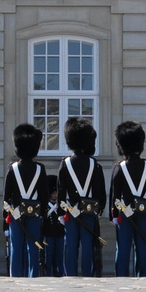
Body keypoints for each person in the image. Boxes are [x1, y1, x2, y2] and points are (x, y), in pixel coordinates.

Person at [57, 117, 106, 277]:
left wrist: (60, 212)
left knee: (70, 245)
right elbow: (100, 190)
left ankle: (70, 274)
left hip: (70, 212)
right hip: (89, 211)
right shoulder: (94, 164)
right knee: (87, 245)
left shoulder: (65, 163)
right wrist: (100, 208)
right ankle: (87, 274)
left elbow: (61, 190)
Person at [109, 121, 146, 277]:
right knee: (143, 246)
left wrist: (114, 215)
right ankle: (143, 276)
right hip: (144, 211)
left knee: (123, 247)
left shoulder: (119, 167)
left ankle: (121, 276)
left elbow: (115, 194)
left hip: (124, 212)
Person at [4, 123, 47, 277]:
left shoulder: (12, 168)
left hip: (16, 213)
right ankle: (33, 276)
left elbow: (6, 195)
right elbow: (44, 194)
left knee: (16, 247)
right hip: (35, 212)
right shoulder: (40, 169)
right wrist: (42, 212)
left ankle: (15, 276)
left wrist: (6, 215)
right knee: (33, 247)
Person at [42, 179, 66, 277]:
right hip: (48, 234)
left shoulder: (61, 205)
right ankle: (47, 273)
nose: (55, 195)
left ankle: (60, 272)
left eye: (56, 193)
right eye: (53, 193)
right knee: (49, 256)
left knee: (59, 256)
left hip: (60, 233)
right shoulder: (46, 206)